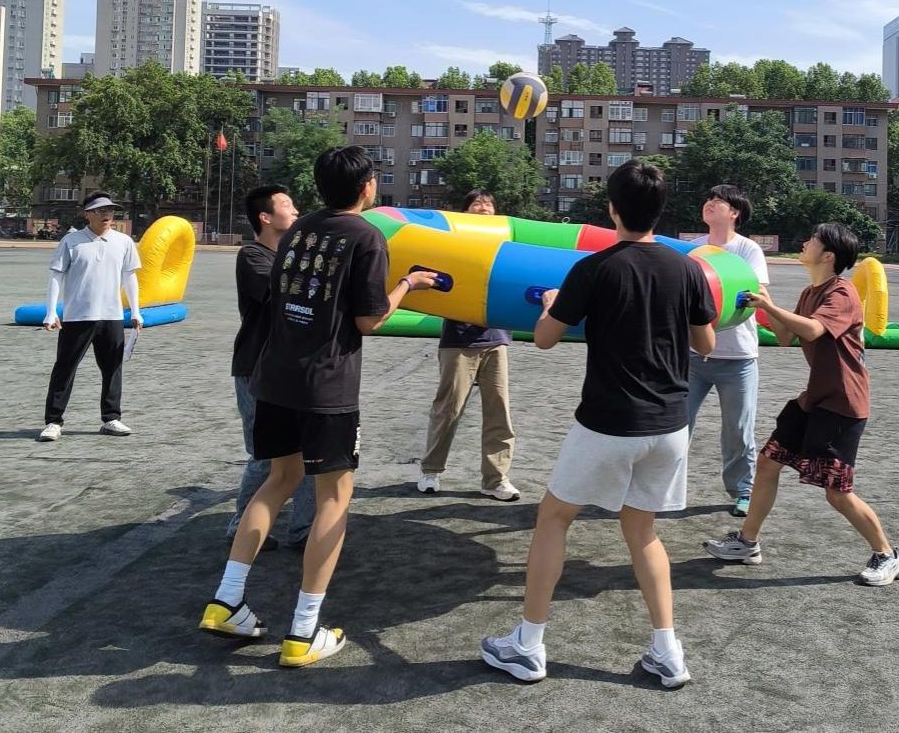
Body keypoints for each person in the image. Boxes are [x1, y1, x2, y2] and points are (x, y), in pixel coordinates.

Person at [481, 159, 717, 687]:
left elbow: (546, 338)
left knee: (553, 518)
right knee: (643, 531)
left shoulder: (594, 268)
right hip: (670, 424)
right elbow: (705, 342)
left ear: (612, 209)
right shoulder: (687, 269)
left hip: (610, 421)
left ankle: (528, 645)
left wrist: (550, 305)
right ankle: (667, 652)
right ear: (661, 210)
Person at [199, 146, 437, 667]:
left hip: (274, 377)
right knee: (334, 498)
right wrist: (408, 284)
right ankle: (304, 630)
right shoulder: (367, 237)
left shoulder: (299, 231)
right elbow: (369, 320)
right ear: (368, 187)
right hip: (325, 387)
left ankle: (226, 600)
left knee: (278, 481)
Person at [702, 222, 899, 588]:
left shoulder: (841, 293)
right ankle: (747, 542)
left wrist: (770, 305)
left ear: (828, 256)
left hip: (842, 404)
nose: (805, 243)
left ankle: (887, 555)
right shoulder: (810, 292)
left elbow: (812, 330)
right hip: (813, 399)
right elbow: (785, 337)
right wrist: (760, 303)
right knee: (768, 463)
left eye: (812, 240)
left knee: (837, 492)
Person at [227, 184, 315, 552]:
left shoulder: (295, 256)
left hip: (294, 368)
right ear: (265, 217)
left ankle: (304, 530)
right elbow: (281, 292)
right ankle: (241, 528)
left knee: (310, 451)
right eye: (287, 205)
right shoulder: (252, 256)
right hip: (257, 368)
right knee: (265, 456)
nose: (295, 211)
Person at [416, 188, 519, 502]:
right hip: (458, 340)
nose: (484, 207)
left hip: (496, 340)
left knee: (499, 413)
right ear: (464, 212)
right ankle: (431, 471)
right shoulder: (452, 244)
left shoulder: (507, 245)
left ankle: (496, 479)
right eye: (476, 203)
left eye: (489, 203)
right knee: (448, 409)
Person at [685, 184, 770, 517]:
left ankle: (743, 491)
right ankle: (662, 488)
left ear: (734, 212)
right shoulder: (692, 249)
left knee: (738, 430)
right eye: (708, 199)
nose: (709, 203)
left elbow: (753, 293)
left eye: (718, 201)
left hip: (738, 358)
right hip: (692, 356)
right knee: (676, 424)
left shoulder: (747, 249)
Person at [38, 192, 142, 442]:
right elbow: (56, 276)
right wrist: (51, 312)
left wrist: (136, 311)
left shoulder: (124, 242)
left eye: (110, 211)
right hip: (78, 316)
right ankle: (53, 421)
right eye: (100, 211)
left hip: (112, 316)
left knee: (112, 369)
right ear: (87, 214)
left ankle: (111, 418)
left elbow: (130, 276)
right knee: (65, 368)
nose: (107, 215)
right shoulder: (71, 241)